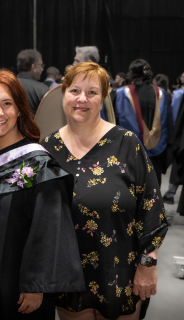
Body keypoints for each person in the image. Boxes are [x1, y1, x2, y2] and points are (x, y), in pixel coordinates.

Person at [0, 69, 85, 320]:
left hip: (17, 287)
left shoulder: (38, 163)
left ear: (20, 109)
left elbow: (50, 228)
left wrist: (36, 285)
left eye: (7, 104)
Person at [41, 62, 168, 320]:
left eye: (92, 92)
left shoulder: (127, 143)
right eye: (75, 90)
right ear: (63, 94)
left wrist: (147, 266)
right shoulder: (47, 149)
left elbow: (151, 208)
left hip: (122, 272)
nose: (82, 99)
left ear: (103, 98)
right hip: (69, 276)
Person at [114, 59, 168, 186]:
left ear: (131, 74)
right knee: (152, 187)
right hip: (154, 153)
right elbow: (166, 124)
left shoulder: (121, 93)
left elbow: (114, 122)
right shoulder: (161, 94)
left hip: (128, 152)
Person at [163, 72, 184, 204]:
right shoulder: (178, 94)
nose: (182, 77)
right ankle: (170, 193)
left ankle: (170, 193)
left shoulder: (179, 94)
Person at [16, 49, 48, 115]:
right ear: (34, 67)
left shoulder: (6, 86)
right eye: (41, 65)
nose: (42, 69)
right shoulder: (42, 89)